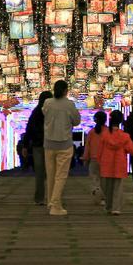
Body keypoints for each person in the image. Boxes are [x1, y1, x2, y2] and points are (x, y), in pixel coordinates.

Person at [42, 80, 80, 216]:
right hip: (64, 144)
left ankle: (50, 202)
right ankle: (56, 205)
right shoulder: (69, 104)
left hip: (48, 144)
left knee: (51, 175)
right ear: (65, 91)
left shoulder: (47, 103)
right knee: (61, 176)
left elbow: (44, 114)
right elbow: (77, 121)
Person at [98, 110, 133, 215]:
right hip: (119, 164)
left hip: (106, 163)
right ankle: (116, 208)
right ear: (121, 121)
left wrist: (99, 161)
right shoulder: (124, 136)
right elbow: (132, 150)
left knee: (107, 187)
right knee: (118, 187)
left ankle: (108, 206)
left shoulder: (104, 135)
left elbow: (99, 150)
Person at [24, 90, 51, 205]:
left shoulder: (35, 112)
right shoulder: (52, 111)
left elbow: (28, 129)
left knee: (40, 173)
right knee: (52, 172)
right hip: (50, 144)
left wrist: (25, 145)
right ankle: (52, 198)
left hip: (38, 146)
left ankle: (39, 198)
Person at [82, 111, 108, 205]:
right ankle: (104, 198)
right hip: (105, 159)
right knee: (104, 179)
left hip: (93, 159)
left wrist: (85, 158)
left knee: (94, 177)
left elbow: (87, 146)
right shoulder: (108, 131)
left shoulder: (91, 132)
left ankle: (96, 192)